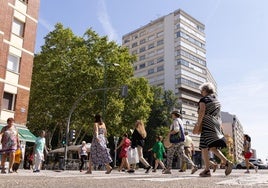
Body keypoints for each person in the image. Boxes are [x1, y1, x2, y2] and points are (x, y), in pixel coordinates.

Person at [193, 82, 233, 177]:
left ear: (205, 90)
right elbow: (219, 116)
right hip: (216, 124)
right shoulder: (217, 101)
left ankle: (214, 167)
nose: (201, 92)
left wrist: (198, 125)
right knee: (208, 147)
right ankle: (212, 167)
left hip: (207, 124)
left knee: (207, 147)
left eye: (201, 90)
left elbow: (202, 112)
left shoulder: (204, 99)